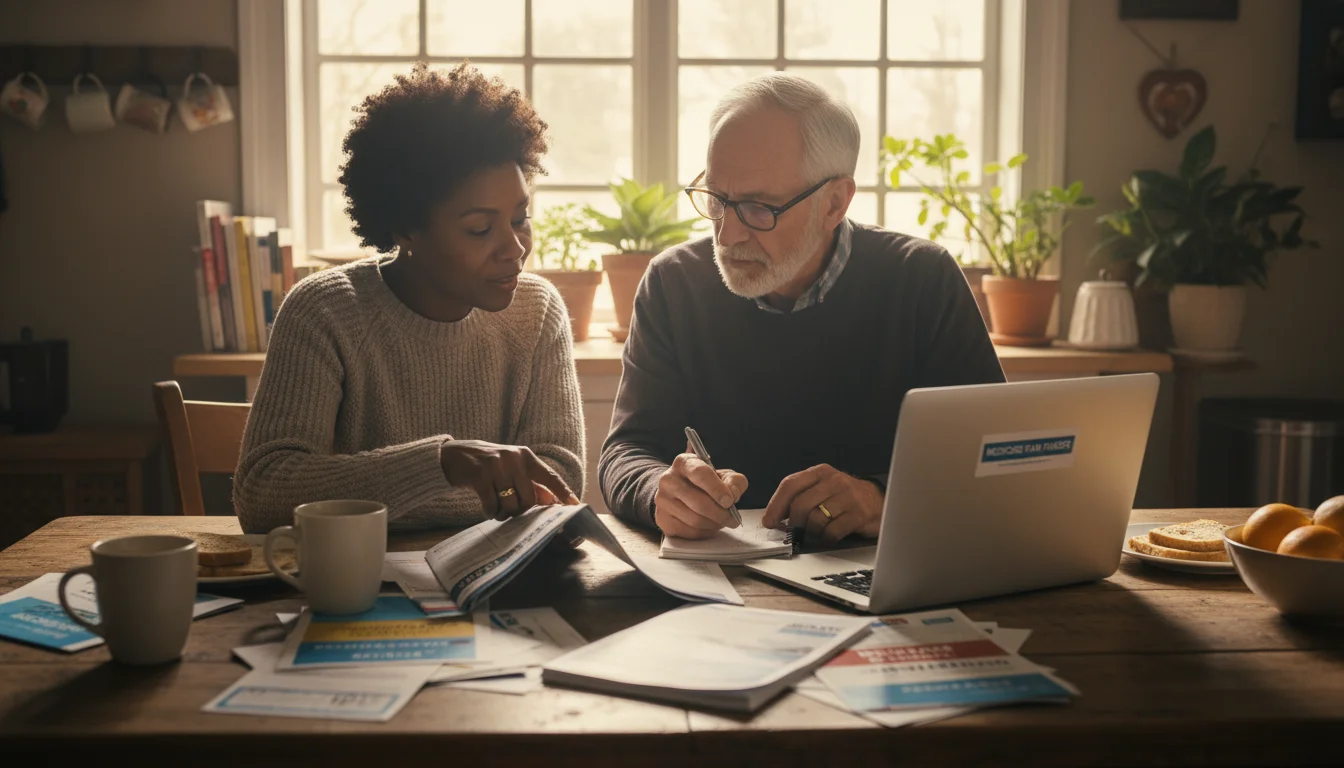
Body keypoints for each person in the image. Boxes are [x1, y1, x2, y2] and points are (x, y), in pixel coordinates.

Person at [598, 73, 1005, 545]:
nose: (726, 235)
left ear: (835, 203)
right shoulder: (673, 283)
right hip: (722, 579)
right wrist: (658, 493)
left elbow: (992, 458)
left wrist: (882, 497)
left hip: (881, 574)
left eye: (757, 207)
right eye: (716, 199)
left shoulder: (922, 279)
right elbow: (626, 451)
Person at [235, 63, 584, 533]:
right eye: (480, 228)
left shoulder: (537, 312)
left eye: (520, 218)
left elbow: (557, 483)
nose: (515, 247)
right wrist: (441, 465)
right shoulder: (324, 312)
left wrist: (393, 495)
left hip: (492, 584)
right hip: (353, 584)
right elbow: (262, 492)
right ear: (406, 229)